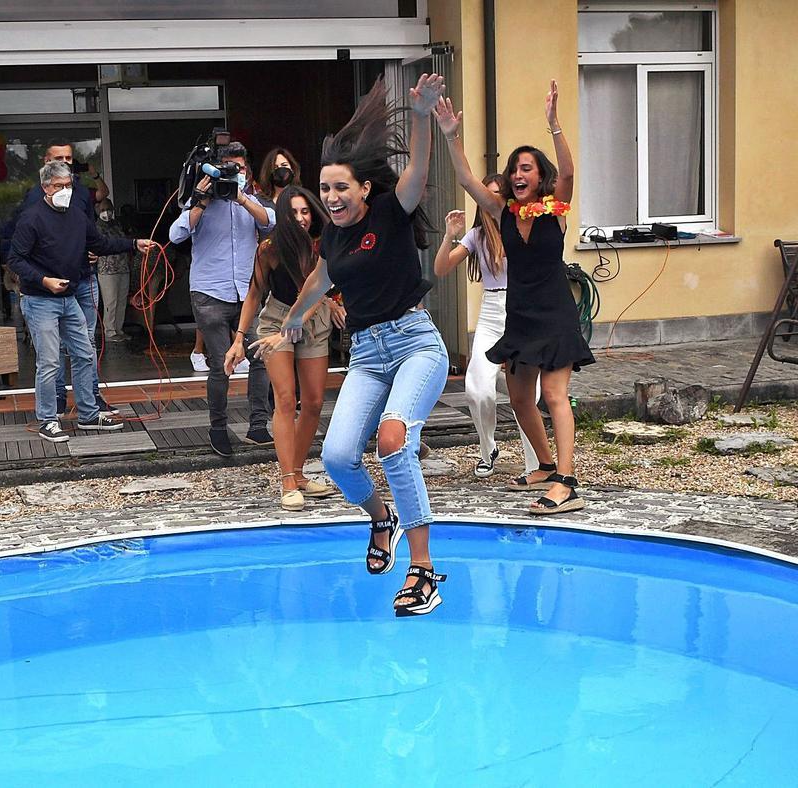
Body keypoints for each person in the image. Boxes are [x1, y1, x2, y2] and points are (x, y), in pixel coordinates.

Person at [253, 75, 450, 616]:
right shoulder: (334, 235)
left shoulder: (391, 211)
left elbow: (418, 172)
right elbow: (319, 279)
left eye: (342, 188)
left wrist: (421, 115)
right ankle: (380, 516)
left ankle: (424, 570)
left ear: (364, 188)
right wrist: (288, 324)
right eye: (326, 189)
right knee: (339, 459)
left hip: (415, 345)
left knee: (392, 440)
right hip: (367, 355)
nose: (332, 197)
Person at [433, 80, 594, 515]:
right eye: (513, 170)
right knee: (520, 396)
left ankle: (567, 480)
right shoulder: (501, 212)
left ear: (540, 176)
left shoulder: (555, 213)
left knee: (554, 396)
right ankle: (543, 463)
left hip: (555, 314)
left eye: (526, 168)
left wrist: (554, 125)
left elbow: (570, 174)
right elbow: (467, 177)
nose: (518, 175)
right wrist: (451, 134)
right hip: (518, 316)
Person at [8, 161, 152, 442]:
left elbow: (99, 244)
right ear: (45, 188)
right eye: (59, 186)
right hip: (40, 300)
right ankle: (48, 419)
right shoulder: (32, 218)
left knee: (85, 354)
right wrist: (43, 280)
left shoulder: (76, 216)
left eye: (69, 186)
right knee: (50, 361)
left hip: (70, 296)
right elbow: (15, 260)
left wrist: (133, 244)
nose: (65, 191)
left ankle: (87, 414)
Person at [225, 185, 346, 510]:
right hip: (277, 316)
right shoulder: (269, 249)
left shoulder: (322, 245)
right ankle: (288, 480)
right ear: (282, 216)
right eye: (294, 212)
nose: (301, 218)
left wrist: (320, 310)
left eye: (305, 211)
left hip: (313, 314)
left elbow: (318, 291)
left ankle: (299, 473)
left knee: (314, 402)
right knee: (285, 399)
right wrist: (238, 338)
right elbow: (254, 293)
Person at [169, 141, 276, 457]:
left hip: (247, 293)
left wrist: (240, 196)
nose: (235, 173)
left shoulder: (251, 200)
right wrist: (201, 201)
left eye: (239, 169)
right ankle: (218, 428)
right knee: (220, 365)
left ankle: (258, 426)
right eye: (228, 168)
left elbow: (270, 221)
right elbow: (176, 235)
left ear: (247, 171)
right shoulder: (199, 201)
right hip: (209, 293)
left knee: (259, 358)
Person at [433, 174, 540, 480]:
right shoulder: (477, 235)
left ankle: (536, 464)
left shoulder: (523, 227)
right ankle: (488, 449)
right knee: (478, 390)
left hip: (521, 311)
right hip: (491, 313)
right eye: (486, 194)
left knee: (528, 395)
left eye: (497, 194)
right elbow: (441, 269)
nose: (491, 200)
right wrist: (449, 235)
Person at [94, 198, 132, 342]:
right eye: (103, 210)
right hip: (107, 270)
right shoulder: (96, 227)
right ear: (97, 210)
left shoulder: (117, 224)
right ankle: (110, 331)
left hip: (122, 267)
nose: (107, 213)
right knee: (111, 301)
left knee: (122, 301)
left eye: (109, 209)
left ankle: (119, 329)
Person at [255, 147, 302, 212]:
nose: (281, 170)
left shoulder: (302, 198)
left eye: (284, 165)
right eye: (275, 167)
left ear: (292, 169)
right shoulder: (258, 201)